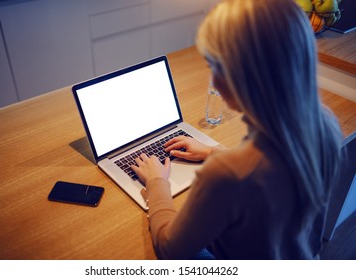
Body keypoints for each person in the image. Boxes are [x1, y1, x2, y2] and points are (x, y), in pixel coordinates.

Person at [131, 0, 343, 259]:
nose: (212, 79)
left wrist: (156, 184)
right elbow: (265, 175)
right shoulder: (325, 125)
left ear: (242, 75)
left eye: (213, 65)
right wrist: (214, 152)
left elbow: (169, 249)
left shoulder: (226, 176)